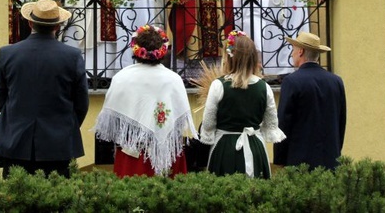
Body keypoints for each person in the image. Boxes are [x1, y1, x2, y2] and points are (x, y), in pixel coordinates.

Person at [0, 0, 89, 179]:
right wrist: (65, 126)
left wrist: (15, 118)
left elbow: (1, 98)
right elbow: (81, 103)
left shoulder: (7, 53)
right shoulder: (72, 56)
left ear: (30, 22)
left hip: (16, 141)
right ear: (57, 26)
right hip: (58, 144)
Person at [94, 24, 196, 177]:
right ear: (162, 50)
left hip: (133, 153)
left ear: (135, 49)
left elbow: (113, 122)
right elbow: (179, 123)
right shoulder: (174, 79)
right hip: (167, 153)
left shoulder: (122, 78)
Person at [200, 31, 285, 178]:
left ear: (229, 57)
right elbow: (271, 123)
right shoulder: (264, 88)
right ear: (253, 58)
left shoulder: (218, 86)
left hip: (224, 149)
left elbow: (208, 124)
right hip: (255, 147)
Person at [274, 32, 346, 170]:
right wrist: (336, 152)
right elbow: (341, 121)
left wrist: (280, 158)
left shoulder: (292, 81)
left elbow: (283, 123)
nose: (291, 54)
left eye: (293, 50)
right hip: (330, 159)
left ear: (300, 51)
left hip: (299, 161)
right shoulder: (336, 81)